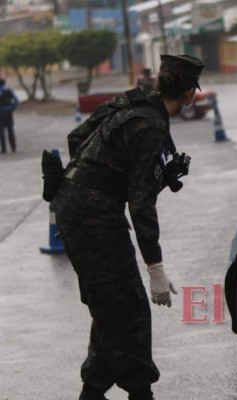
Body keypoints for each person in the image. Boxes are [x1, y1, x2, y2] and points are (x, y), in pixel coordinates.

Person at [50, 54, 204, 400]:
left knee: (111, 302)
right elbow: (141, 203)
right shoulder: (151, 127)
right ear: (188, 92)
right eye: (193, 87)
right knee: (129, 306)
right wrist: (155, 267)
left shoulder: (128, 102)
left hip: (77, 206)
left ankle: (93, 390)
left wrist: (102, 177)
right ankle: (140, 391)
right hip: (92, 216)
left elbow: (77, 138)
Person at [0, 78, 19, 153]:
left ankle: (4, 149)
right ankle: (13, 147)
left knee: (1, 131)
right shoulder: (9, 91)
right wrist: (12, 108)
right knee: (10, 130)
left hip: (1, 112)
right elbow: (16, 100)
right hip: (9, 112)